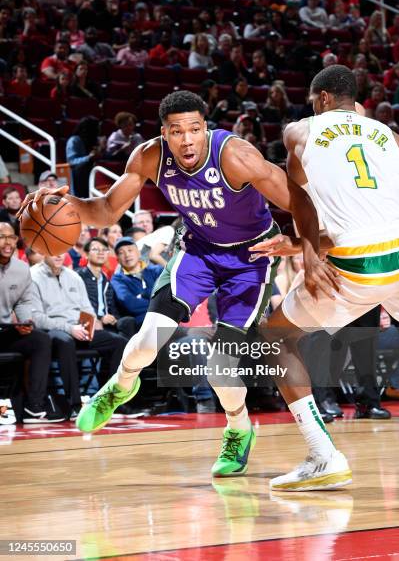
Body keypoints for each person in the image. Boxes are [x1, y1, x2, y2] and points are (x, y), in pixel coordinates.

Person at [19, 90, 334, 478]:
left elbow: (298, 199)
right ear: (164, 133)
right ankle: (121, 386)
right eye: (176, 131)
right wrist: (61, 206)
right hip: (198, 252)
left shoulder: (236, 156)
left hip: (250, 259)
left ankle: (238, 428)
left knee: (221, 367)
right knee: (147, 339)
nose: (186, 139)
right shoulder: (150, 157)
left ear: (206, 128)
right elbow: (105, 210)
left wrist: (308, 249)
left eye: (195, 129)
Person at [249, 65, 399, 490]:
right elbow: (384, 204)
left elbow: (297, 191)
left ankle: (324, 456)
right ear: (356, 103)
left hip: (355, 262)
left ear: (320, 99)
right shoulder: (393, 139)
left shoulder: (300, 130)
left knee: (277, 336)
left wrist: (307, 246)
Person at [30, 253, 129, 419]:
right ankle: (74, 405)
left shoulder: (73, 276)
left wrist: (87, 328)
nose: (59, 254)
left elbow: (87, 309)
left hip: (80, 328)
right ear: (44, 251)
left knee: (120, 342)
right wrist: (70, 328)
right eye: (55, 250)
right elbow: (37, 318)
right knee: (66, 341)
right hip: (53, 331)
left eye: (62, 250)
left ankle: (112, 401)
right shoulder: (33, 276)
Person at [0, 222, 63, 423]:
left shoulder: (21, 268)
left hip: (6, 329)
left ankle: (33, 406)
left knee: (41, 340)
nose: (7, 242)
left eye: (11, 237)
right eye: (2, 236)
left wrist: (25, 320)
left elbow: (24, 300)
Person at [77, 237, 137, 339]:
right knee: (119, 342)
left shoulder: (106, 279)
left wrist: (115, 319)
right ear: (86, 255)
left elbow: (112, 307)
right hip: (88, 322)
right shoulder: (78, 277)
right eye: (95, 249)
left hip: (107, 323)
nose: (101, 252)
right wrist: (99, 317)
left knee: (128, 322)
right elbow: (75, 304)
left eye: (104, 250)